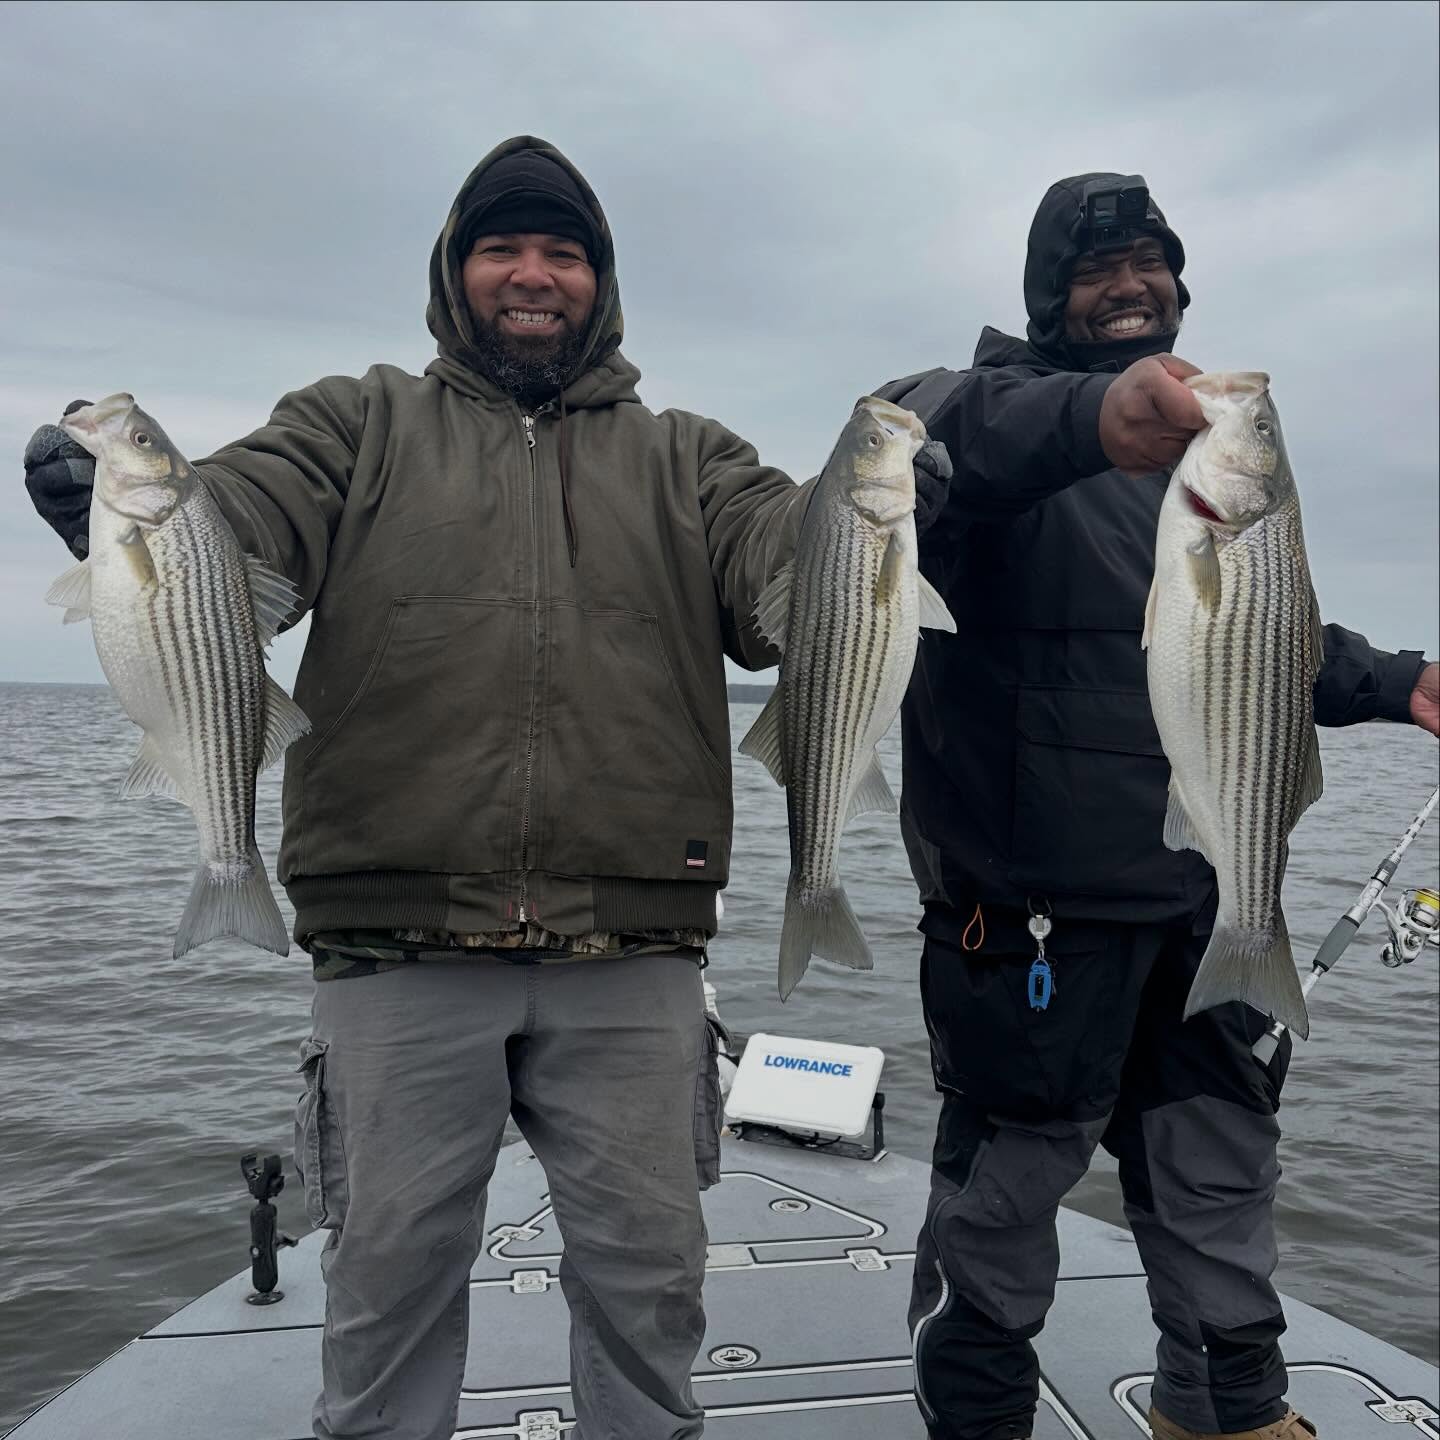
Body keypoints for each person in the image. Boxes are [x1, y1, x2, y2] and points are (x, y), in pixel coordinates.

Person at [23, 135, 950, 1440]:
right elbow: (242, 526)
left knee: (648, 1292)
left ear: (600, 281)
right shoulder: (355, 422)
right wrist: (131, 530)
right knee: (386, 1292)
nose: (532, 273)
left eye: (561, 251)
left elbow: (782, 575)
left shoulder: (689, 456)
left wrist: (879, 526)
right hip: (398, 947)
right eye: (501, 247)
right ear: (454, 272)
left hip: (633, 945)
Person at [876, 172, 1439, 1440]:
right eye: (1096, 270)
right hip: (1029, 924)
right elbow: (927, 429)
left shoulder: (1205, 473)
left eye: (1152, 263)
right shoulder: (976, 432)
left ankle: (1228, 1417)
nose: (1132, 286)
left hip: (1201, 904)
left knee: (1220, 1187)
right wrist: (1092, 420)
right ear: (1046, 299)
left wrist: (1403, 682)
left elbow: (1252, 637)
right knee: (1001, 1212)